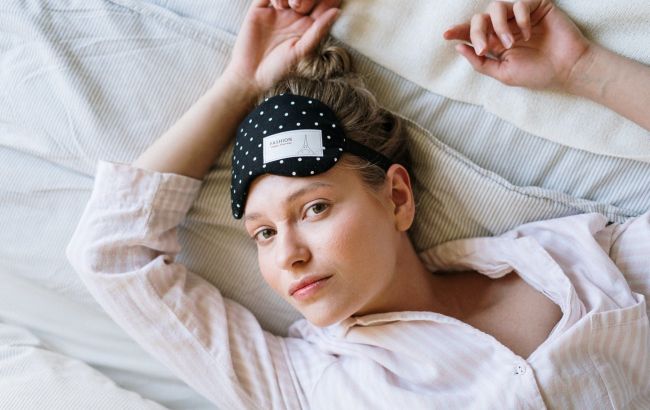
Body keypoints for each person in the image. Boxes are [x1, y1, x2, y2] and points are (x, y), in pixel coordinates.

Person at [66, 0, 650, 408]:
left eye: (313, 209)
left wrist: (582, 69)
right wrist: (239, 85)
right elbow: (112, 255)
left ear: (396, 197)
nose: (288, 254)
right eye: (263, 233)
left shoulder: (575, 264)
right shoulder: (301, 385)